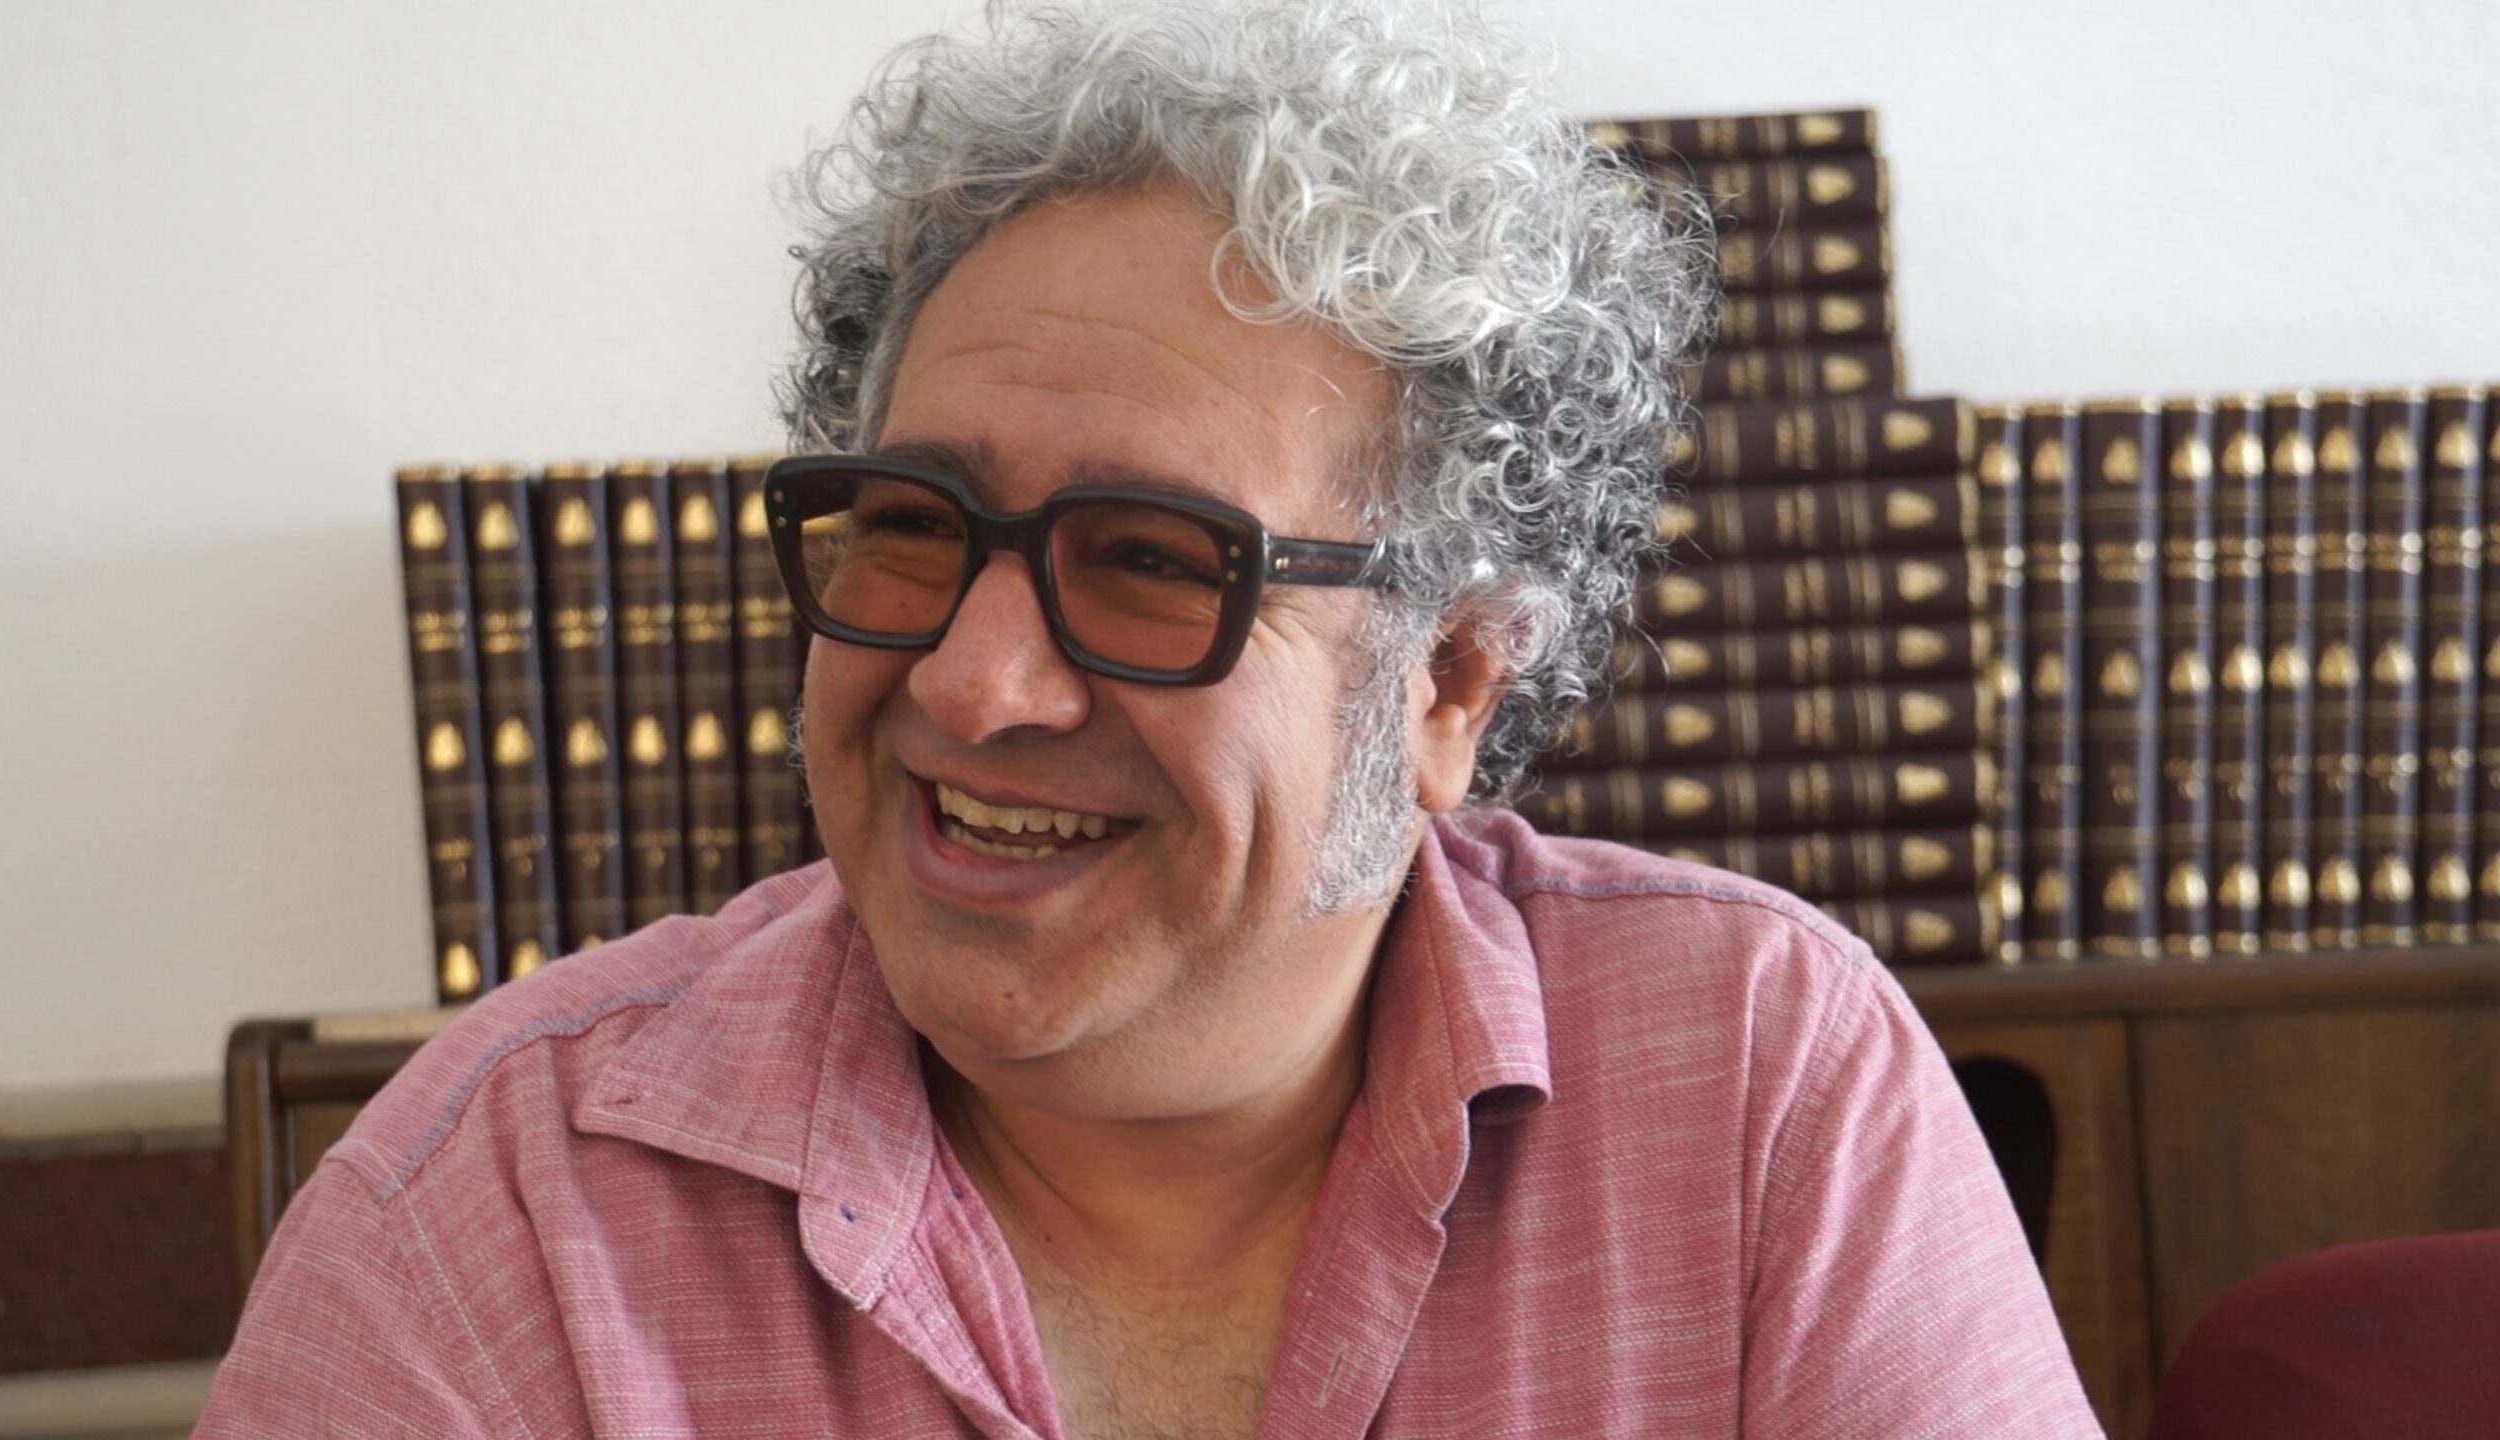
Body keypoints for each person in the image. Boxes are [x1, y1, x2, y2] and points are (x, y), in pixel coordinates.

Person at [199, 1, 2102, 1435]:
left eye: (1146, 561)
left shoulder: (1764, 1088)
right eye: (912, 526)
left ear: (1448, 683)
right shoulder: (487, 1220)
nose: (970, 681)